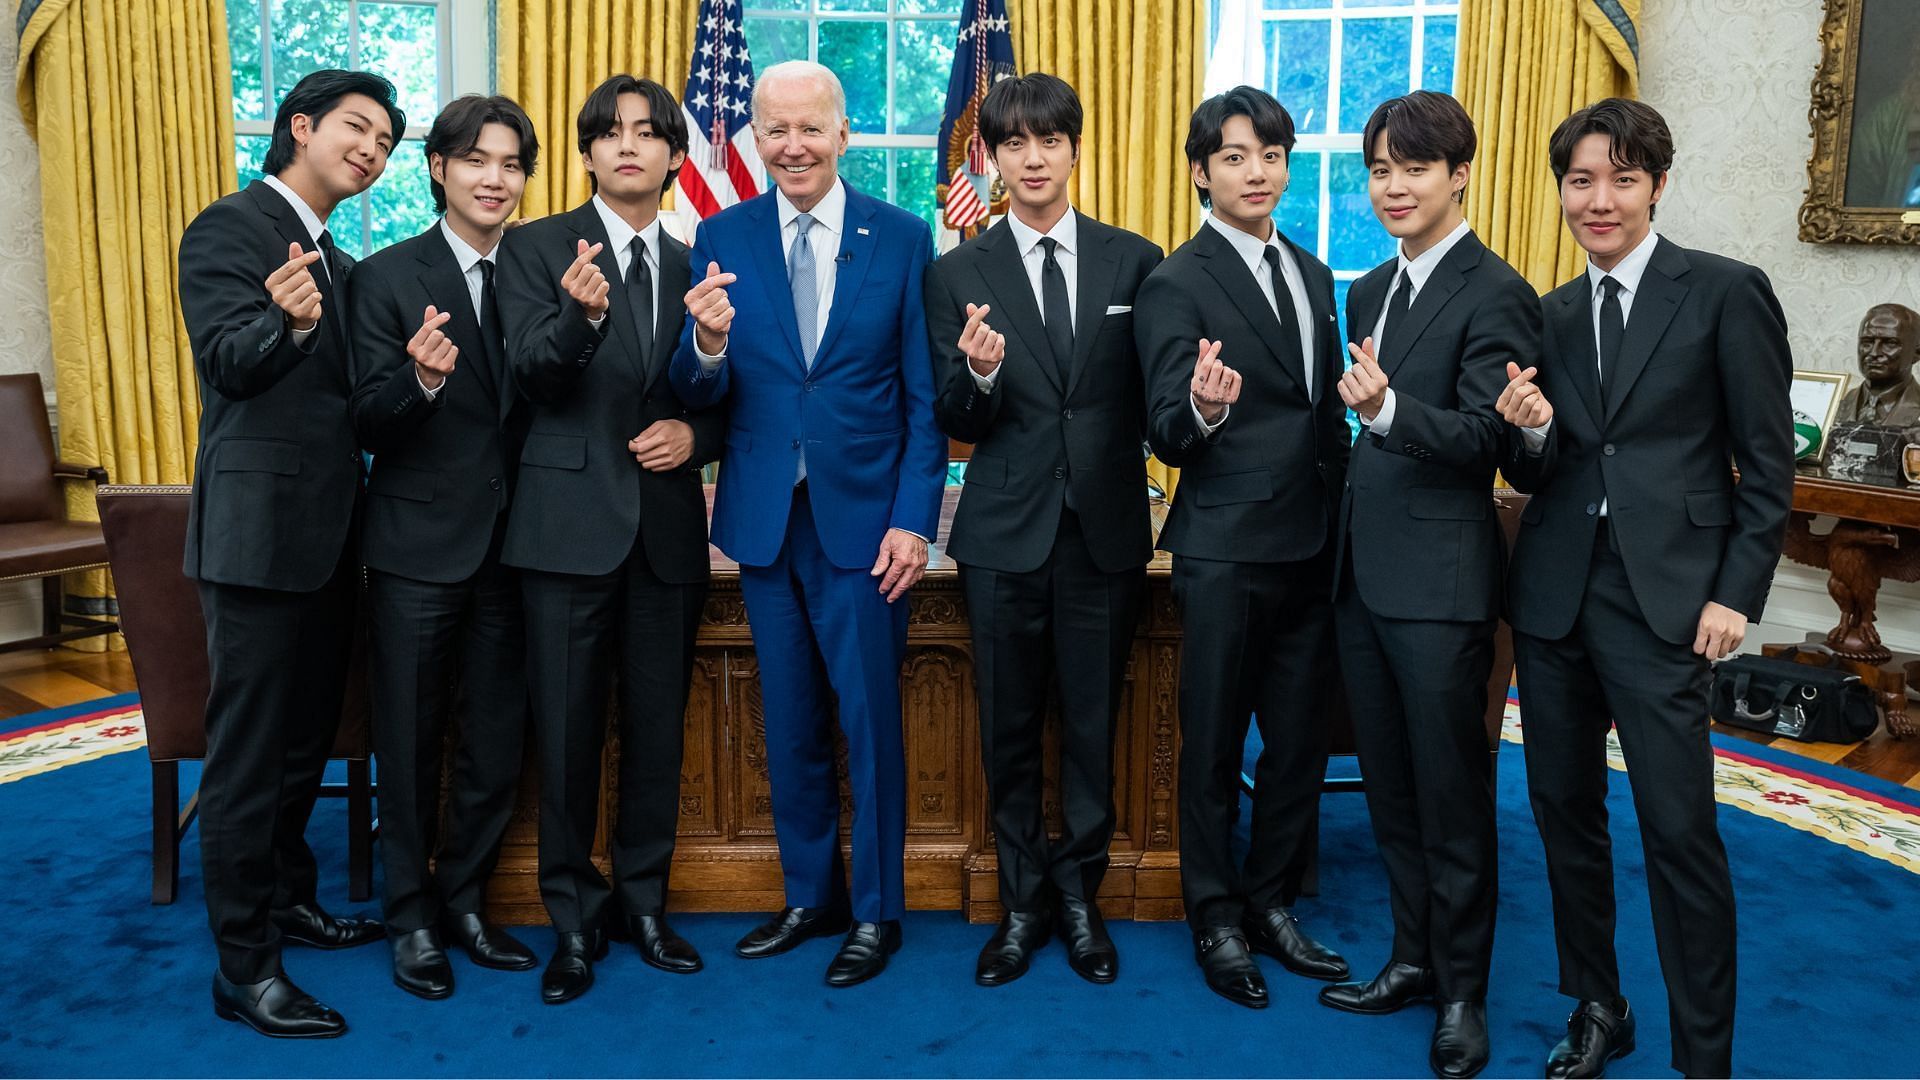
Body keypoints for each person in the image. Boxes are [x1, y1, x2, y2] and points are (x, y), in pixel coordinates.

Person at [1496, 98, 1793, 1079]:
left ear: (1658, 184)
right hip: (1553, 603)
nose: (1600, 199)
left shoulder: (1723, 292)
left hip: (1670, 608)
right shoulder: (1547, 313)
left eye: (1622, 178)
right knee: (1563, 814)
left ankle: (1704, 1059)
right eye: (1581, 180)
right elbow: (1541, 470)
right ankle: (1598, 1006)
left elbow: (1767, 467)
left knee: (1679, 833)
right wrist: (1529, 430)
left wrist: (1735, 595)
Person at [668, 59, 944, 988]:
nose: (792, 146)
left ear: (842, 132)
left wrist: (914, 521)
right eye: (773, 130)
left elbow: (921, 401)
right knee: (786, 722)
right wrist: (703, 344)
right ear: (755, 136)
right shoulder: (721, 230)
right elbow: (702, 386)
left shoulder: (903, 238)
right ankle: (808, 896)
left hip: (867, 531)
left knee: (868, 724)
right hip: (760, 520)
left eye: (809, 128)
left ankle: (876, 912)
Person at [176, 68, 403, 1038]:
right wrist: (290, 322)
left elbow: (352, 406)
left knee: (303, 744)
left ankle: (288, 901)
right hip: (258, 541)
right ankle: (245, 965)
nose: (372, 150)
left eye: (387, 142)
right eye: (358, 128)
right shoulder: (229, 228)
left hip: (329, 542)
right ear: (298, 126)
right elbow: (230, 359)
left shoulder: (342, 264)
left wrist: (421, 383)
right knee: (249, 757)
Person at [924, 73, 1162, 988]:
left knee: (1095, 726)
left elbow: (1154, 397)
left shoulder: (1135, 263)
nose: (1032, 158)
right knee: (1011, 727)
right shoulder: (956, 274)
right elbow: (953, 416)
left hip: (1103, 530)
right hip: (1002, 533)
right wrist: (977, 379)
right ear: (993, 156)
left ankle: (1081, 897)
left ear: (1073, 148)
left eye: (1048, 141)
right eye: (1013, 144)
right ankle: (1023, 902)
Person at [1321, 89, 1542, 1078]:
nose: (1394, 186)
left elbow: (1487, 439)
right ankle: (1410, 958)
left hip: (1444, 586)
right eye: (1379, 169)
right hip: (1363, 581)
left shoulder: (1498, 292)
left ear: (1460, 173)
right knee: (1394, 796)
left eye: (1413, 167)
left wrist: (1388, 409)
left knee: (1452, 800)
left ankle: (1463, 994)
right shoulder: (1367, 290)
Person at [496, 74, 724, 1005]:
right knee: (569, 737)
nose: (629, 146)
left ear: (674, 156)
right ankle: (572, 922)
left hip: (665, 536)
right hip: (564, 537)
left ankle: (643, 905)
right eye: (610, 133)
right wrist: (581, 318)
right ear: (588, 153)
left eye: (648, 133)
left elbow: (724, 402)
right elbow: (529, 378)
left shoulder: (695, 257)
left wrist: (695, 427)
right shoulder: (534, 248)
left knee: (657, 736)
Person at [1133, 85, 1351, 1010]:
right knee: (1215, 744)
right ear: (1200, 172)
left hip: (1316, 542)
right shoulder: (1174, 281)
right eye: (1233, 156)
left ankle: (1272, 902)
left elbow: (1324, 412)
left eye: (1269, 155)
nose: (1254, 171)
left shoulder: (1310, 272)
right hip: (1224, 546)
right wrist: (1204, 409)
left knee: (1300, 744)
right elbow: (1163, 429)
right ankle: (1215, 916)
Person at [347, 93, 541, 1000]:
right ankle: (412, 919)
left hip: (521, 550)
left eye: (510, 164)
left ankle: (466, 900)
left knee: (496, 739)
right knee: (412, 742)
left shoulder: (542, 271)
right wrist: (419, 383)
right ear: (438, 168)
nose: (494, 178)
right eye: (477, 161)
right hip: (418, 547)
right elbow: (365, 420)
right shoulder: (385, 278)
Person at [1832, 303, 1920, 428]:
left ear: (1917, 353)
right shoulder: (1835, 403)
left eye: (1890, 343)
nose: (1874, 353)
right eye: (1867, 342)